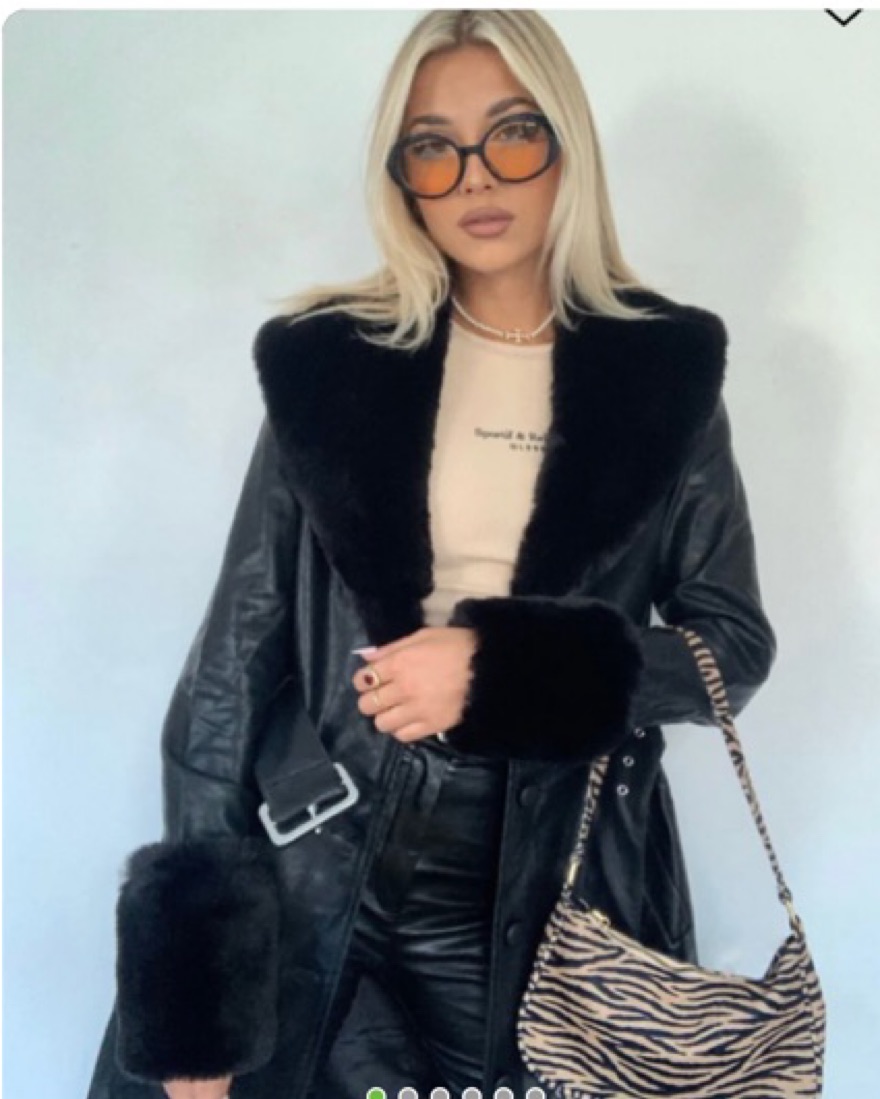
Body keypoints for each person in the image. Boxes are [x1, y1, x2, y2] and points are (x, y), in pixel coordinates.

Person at [85, 9, 777, 1099]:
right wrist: (194, 1014)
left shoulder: (662, 371)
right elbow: (229, 671)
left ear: (567, 144)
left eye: (513, 132)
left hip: (554, 879)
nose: (474, 177)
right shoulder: (333, 363)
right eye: (431, 147)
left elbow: (728, 648)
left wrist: (499, 670)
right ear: (401, 176)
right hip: (321, 852)